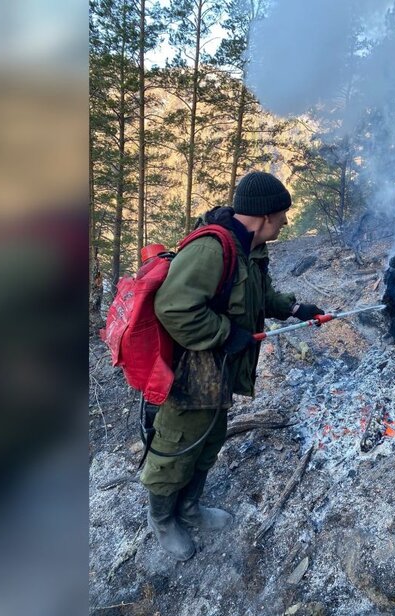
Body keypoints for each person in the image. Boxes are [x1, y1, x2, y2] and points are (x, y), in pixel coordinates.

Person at [140, 171, 324, 560]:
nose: (286, 222)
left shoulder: (252, 248)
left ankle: (190, 509)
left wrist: (293, 308)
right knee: (176, 447)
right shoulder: (211, 250)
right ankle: (164, 521)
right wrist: (227, 333)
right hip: (190, 369)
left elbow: (259, 292)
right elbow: (173, 307)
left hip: (220, 368)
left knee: (209, 440)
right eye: (282, 215)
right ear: (264, 216)